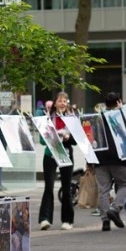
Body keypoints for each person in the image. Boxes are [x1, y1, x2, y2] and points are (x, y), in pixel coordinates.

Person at [93, 92, 126, 231]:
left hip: (100, 158)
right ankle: (115, 209)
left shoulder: (97, 117)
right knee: (125, 184)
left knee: (103, 190)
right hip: (119, 157)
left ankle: (105, 221)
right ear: (118, 102)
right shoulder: (123, 116)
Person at [38, 92, 76, 231]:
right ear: (55, 103)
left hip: (66, 153)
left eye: (65, 101)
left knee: (66, 188)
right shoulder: (48, 117)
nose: (62, 103)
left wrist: (67, 138)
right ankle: (44, 219)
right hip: (50, 154)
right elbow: (42, 141)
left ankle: (67, 220)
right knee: (48, 187)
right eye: (60, 100)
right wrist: (51, 136)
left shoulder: (71, 118)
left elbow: (76, 140)